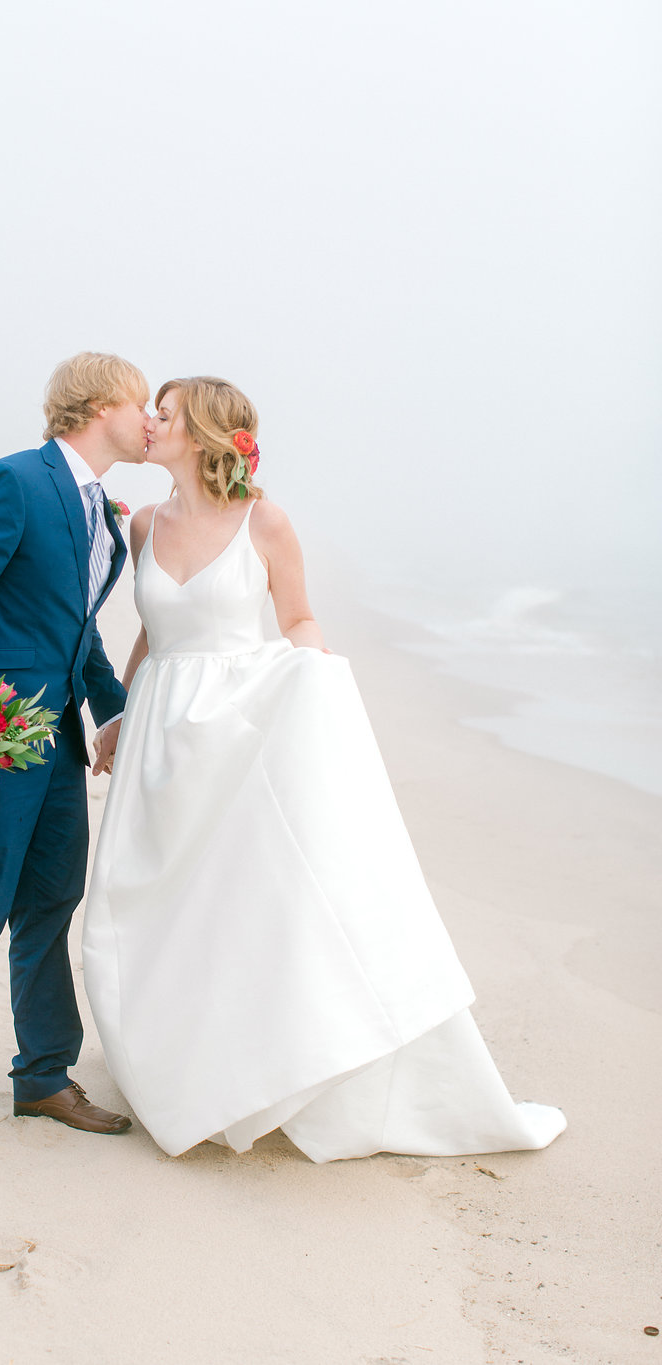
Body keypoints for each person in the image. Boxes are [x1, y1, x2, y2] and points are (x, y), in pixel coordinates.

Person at [82, 376, 566, 1163]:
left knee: (245, 902)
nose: (149, 423)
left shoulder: (264, 520)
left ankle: (268, 1069)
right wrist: (122, 713)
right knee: (148, 903)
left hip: (240, 733)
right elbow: (152, 630)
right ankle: (171, 1067)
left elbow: (297, 616)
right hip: (161, 742)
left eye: (163, 415)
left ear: (201, 433)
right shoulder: (143, 523)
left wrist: (320, 681)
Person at [0, 352, 147, 1139]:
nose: (150, 420)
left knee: (51, 902)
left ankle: (43, 1076)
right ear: (100, 402)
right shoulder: (11, 481)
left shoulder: (101, 509)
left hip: (62, 748)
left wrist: (116, 710)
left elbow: (76, 632)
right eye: (141, 402)